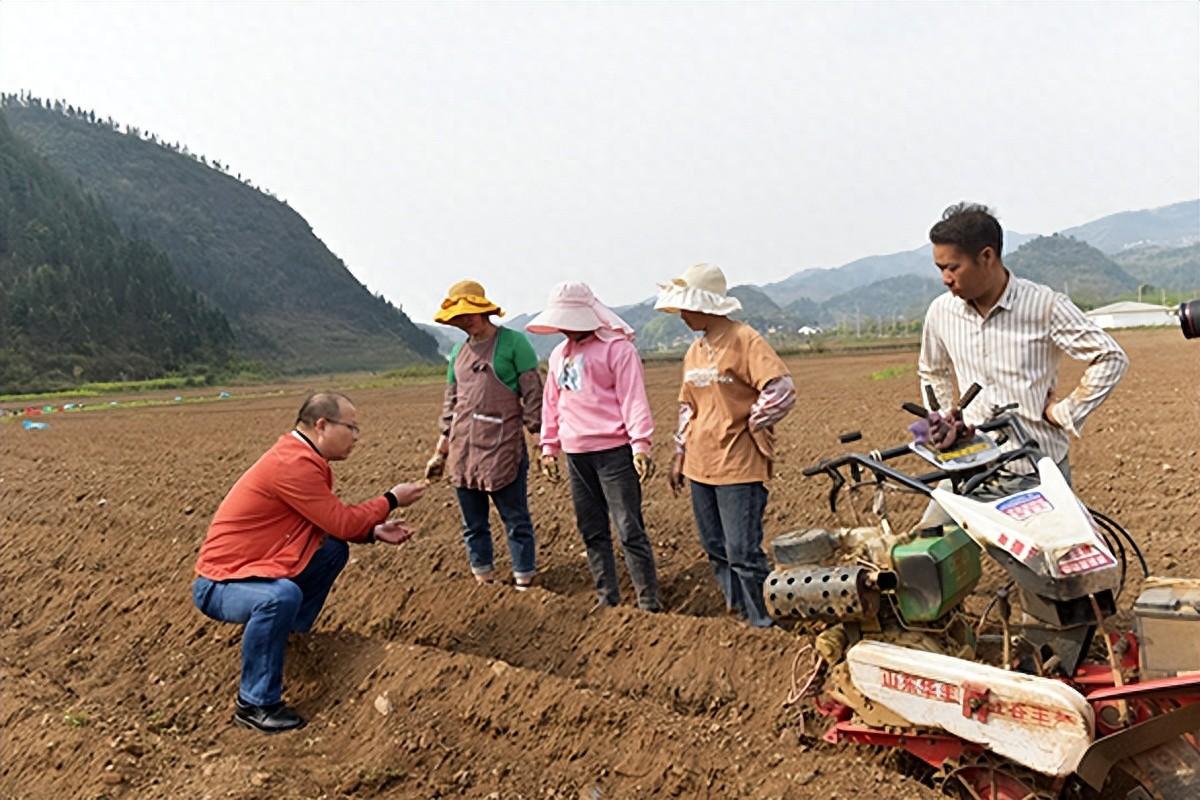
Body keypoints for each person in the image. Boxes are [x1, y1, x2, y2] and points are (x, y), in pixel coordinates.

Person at [192, 392, 425, 733]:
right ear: (322, 425)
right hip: (221, 583)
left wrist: (373, 532)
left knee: (332, 551)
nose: (356, 437)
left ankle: (289, 638)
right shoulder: (293, 464)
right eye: (352, 428)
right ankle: (254, 704)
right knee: (278, 597)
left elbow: (329, 527)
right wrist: (391, 499)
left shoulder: (304, 458)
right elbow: (341, 521)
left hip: (252, 571)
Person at [918, 203, 1129, 483]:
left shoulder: (1044, 306)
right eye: (940, 268)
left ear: (987, 256)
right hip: (970, 465)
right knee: (932, 528)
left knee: (1058, 529)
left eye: (952, 268)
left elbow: (1110, 357)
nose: (945, 279)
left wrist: (1066, 412)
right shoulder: (941, 312)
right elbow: (932, 371)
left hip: (1035, 469)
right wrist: (944, 417)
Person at [655, 264, 796, 628]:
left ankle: (766, 621)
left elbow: (780, 389)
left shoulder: (745, 339)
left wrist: (752, 422)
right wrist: (680, 453)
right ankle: (739, 612)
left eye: (686, 307)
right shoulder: (695, 350)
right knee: (716, 547)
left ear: (706, 306)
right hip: (700, 463)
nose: (682, 315)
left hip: (738, 462)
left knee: (742, 551)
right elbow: (688, 406)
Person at [526, 282, 662, 612]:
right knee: (591, 529)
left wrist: (640, 444)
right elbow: (552, 404)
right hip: (576, 455)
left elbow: (633, 399)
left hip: (614, 451)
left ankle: (649, 601)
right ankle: (607, 598)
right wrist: (548, 447)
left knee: (629, 528)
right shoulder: (560, 355)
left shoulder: (618, 349)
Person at [424, 280, 543, 589]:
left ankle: (523, 579)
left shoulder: (514, 343)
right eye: (459, 319)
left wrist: (540, 442)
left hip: (504, 444)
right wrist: (440, 452)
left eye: (469, 316)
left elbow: (533, 396)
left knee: (515, 519)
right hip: (464, 447)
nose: (465, 323)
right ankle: (484, 581)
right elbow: (452, 404)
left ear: (484, 312)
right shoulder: (457, 352)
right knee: (473, 523)